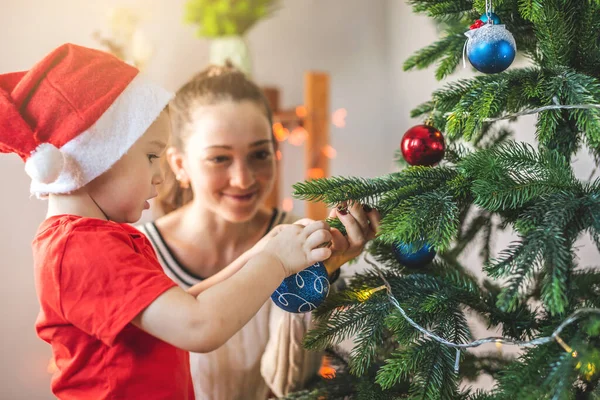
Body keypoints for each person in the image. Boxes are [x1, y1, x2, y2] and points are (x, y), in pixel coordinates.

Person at [0, 43, 337, 399]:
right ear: (99, 155)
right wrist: (276, 260)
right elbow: (199, 326)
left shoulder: (97, 239)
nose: (161, 177)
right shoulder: (81, 249)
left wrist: (262, 251)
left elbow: (184, 302)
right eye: (151, 156)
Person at [136, 63, 381, 399]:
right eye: (220, 159)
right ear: (180, 165)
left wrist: (319, 274)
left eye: (260, 154)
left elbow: (291, 386)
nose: (244, 179)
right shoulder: (138, 255)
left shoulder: (296, 240)